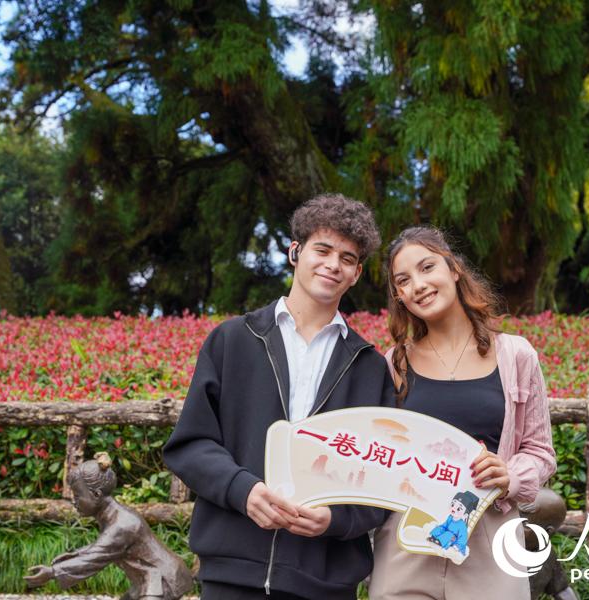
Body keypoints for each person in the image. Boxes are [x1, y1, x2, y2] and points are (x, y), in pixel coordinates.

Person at [163, 193, 396, 600]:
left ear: (356, 273)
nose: (332, 264)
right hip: (231, 575)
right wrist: (243, 490)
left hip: (325, 583)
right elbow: (191, 444)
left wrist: (336, 519)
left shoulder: (370, 367)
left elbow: (382, 478)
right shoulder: (232, 340)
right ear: (295, 252)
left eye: (346, 258)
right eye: (322, 250)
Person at [368, 226, 556, 600]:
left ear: (453, 269)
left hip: (490, 540)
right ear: (399, 296)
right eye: (403, 281)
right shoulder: (394, 363)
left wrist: (510, 475)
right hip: (407, 542)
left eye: (427, 267)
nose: (418, 285)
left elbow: (540, 452)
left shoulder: (516, 356)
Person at [24, 453, 193, 599]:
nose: (74, 501)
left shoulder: (122, 524)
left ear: (96, 494)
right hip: (148, 578)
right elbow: (101, 547)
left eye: (77, 495)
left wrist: (52, 572)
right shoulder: (114, 516)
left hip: (164, 580)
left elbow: (95, 557)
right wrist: (71, 556)